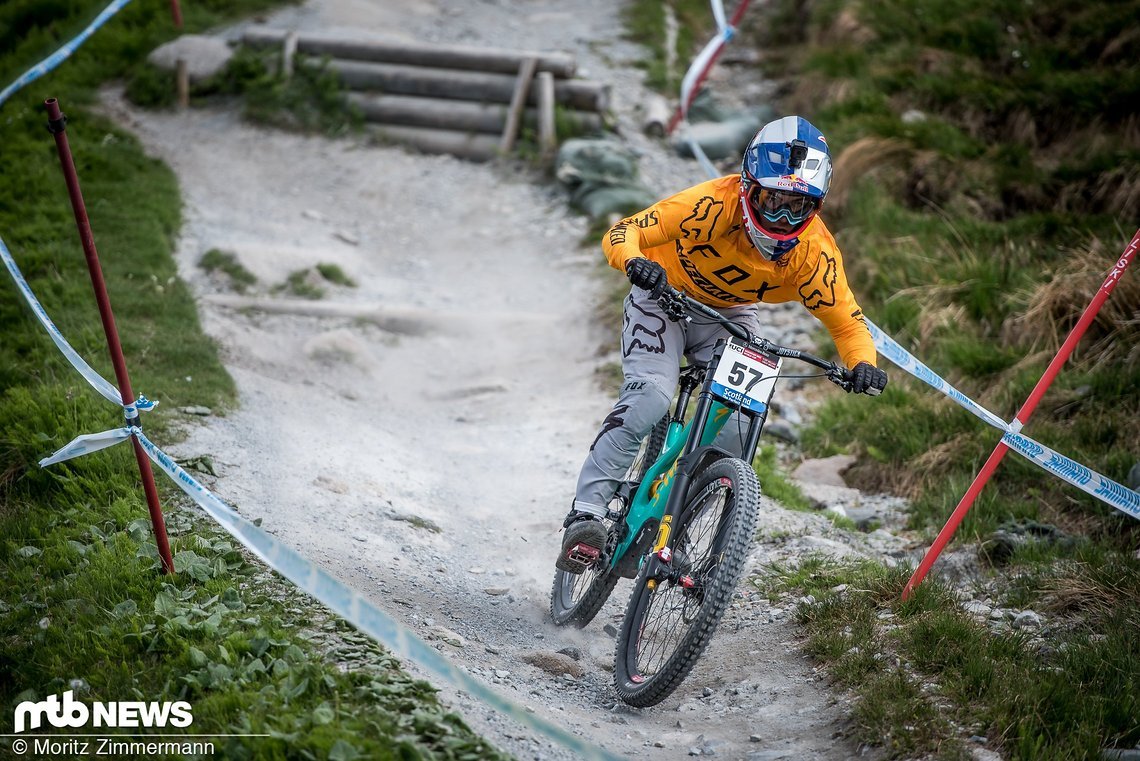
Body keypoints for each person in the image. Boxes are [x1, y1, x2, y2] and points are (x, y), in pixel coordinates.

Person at [556, 115, 887, 574]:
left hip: (730, 317)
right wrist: (635, 263)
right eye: (773, 201)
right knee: (650, 396)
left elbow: (849, 324)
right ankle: (586, 515)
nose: (783, 218)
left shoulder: (815, 254)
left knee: (737, 425)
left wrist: (862, 363)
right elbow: (623, 231)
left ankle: (679, 517)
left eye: (799, 207)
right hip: (662, 298)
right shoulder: (710, 204)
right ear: (748, 187)